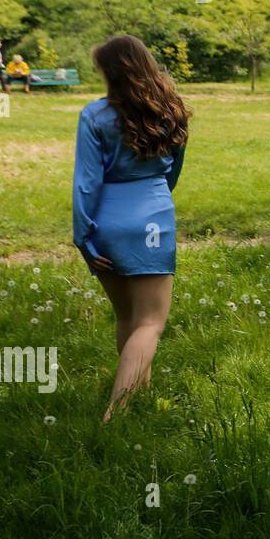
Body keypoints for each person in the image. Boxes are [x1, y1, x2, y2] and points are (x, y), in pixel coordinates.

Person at [72, 35, 190, 423]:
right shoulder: (171, 109)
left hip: (105, 221)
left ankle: (141, 396)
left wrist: (83, 234)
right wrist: (152, 198)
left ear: (110, 72)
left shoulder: (93, 115)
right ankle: (116, 412)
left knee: (127, 318)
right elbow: (172, 171)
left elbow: (87, 182)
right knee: (151, 323)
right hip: (152, 217)